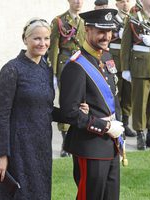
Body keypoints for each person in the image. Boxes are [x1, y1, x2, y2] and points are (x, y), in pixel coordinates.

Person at [0, 18, 89, 200]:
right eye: (37, 38)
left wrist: (75, 113)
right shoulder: (12, 69)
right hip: (19, 147)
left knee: (40, 193)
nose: (42, 43)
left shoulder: (46, 69)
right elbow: (2, 115)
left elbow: (46, 109)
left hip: (42, 145)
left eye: (46, 39)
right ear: (25, 39)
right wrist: (3, 155)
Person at [59, 8, 124, 200]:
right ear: (87, 30)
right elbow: (69, 112)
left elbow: (114, 97)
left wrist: (118, 126)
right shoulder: (76, 66)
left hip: (111, 144)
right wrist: (105, 126)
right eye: (101, 31)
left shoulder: (106, 57)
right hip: (90, 146)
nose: (107, 36)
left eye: (110, 31)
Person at [120, 0, 150, 150]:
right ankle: (140, 134)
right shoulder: (133, 18)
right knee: (139, 102)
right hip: (140, 65)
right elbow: (125, 45)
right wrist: (125, 68)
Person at [48, 0, 85, 157]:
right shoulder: (59, 20)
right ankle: (65, 141)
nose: (78, 2)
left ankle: (76, 138)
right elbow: (53, 47)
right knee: (66, 101)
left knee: (80, 102)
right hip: (65, 63)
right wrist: (53, 72)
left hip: (81, 63)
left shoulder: (84, 21)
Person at [109, 0, 136, 137]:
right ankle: (117, 123)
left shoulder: (133, 18)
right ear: (116, 4)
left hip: (130, 60)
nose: (125, 4)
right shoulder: (112, 18)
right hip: (115, 59)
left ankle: (125, 123)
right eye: (121, 1)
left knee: (128, 94)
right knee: (116, 93)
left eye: (127, 1)